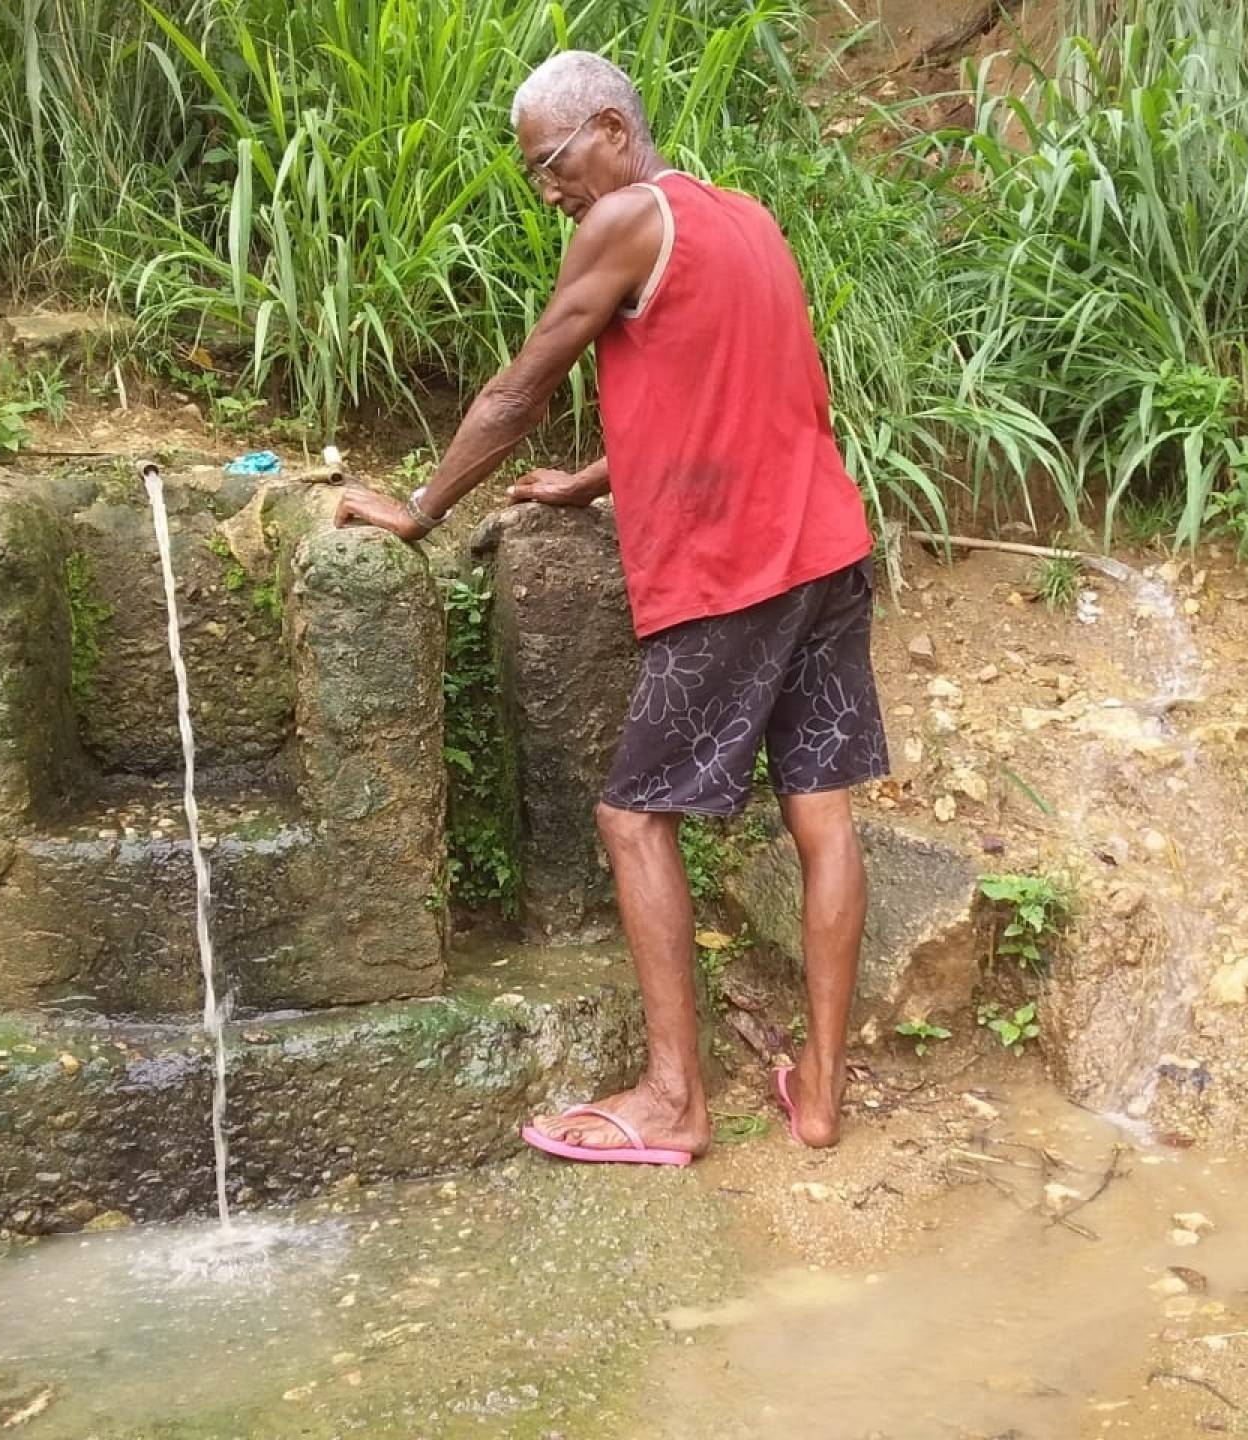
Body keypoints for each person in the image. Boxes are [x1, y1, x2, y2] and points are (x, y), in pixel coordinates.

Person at [335, 50, 886, 1164]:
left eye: (551, 161)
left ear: (612, 130)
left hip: (737, 567)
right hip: (827, 547)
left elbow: (522, 385)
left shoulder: (627, 217)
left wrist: (421, 509)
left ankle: (675, 1101)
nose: (547, 189)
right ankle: (822, 1097)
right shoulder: (745, 216)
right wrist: (591, 482)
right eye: (535, 173)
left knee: (633, 818)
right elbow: (745, 387)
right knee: (822, 817)